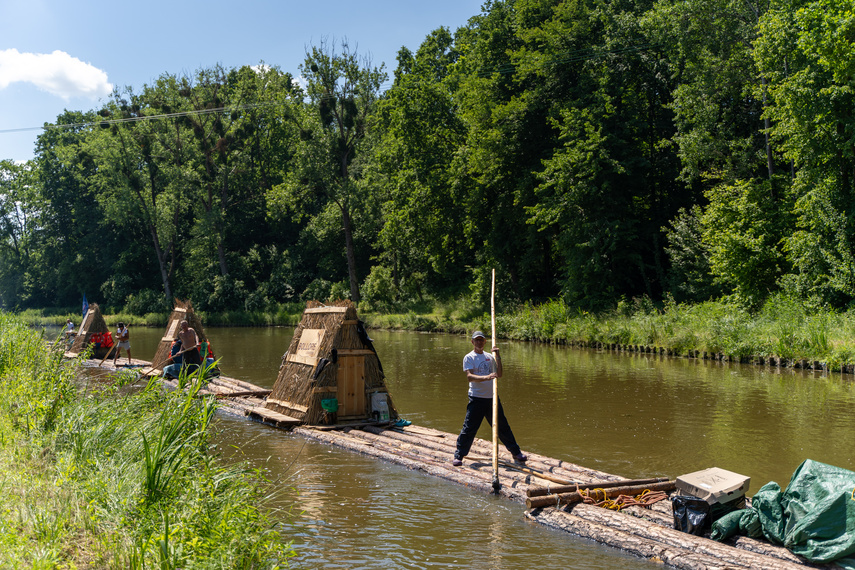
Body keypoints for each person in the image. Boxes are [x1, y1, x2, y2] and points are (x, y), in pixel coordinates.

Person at [452, 330, 527, 467]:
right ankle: (459, 455)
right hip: (477, 398)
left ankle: (516, 452)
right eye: (477, 340)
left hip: (492, 398)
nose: (479, 342)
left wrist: (498, 356)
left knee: (502, 426)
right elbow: (470, 377)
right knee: (469, 428)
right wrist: (486, 377)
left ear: (485, 342)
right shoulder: (469, 357)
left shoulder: (489, 357)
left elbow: (499, 374)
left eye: (481, 340)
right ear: (472, 342)